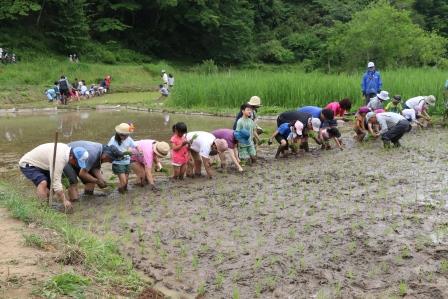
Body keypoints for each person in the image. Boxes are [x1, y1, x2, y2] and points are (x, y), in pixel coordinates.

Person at [19, 143, 89, 211]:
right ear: (71, 156)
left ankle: (45, 203)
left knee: (50, 189)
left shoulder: (66, 152)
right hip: (28, 163)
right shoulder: (60, 158)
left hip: (43, 165)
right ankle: (43, 209)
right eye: (77, 162)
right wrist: (64, 200)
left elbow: (56, 182)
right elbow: (57, 185)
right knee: (43, 182)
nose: (77, 165)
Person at [108, 123, 136, 193]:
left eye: (127, 135)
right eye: (123, 135)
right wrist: (118, 154)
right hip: (118, 163)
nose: (126, 137)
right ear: (119, 134)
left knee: (125, 182)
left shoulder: (129, 139)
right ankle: (120, 194)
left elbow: (135, 145)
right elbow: (108, 149)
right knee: (123, 181)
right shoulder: (113, 139)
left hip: (127, 162)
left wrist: (140, 151)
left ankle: (123, 192)